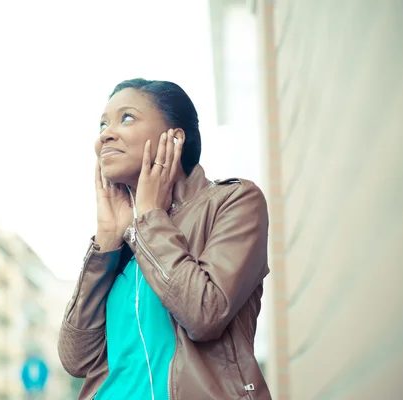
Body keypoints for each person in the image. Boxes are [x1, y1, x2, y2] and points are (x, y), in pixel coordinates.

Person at [58, 78, 271, 400]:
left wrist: (149, 218)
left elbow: (204, 315)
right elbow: (77, 359)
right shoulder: (122, 239)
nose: (105, 134)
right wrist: (105, 245)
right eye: (103, 123)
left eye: (126, 117)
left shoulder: (233, 201)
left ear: (174, 138)